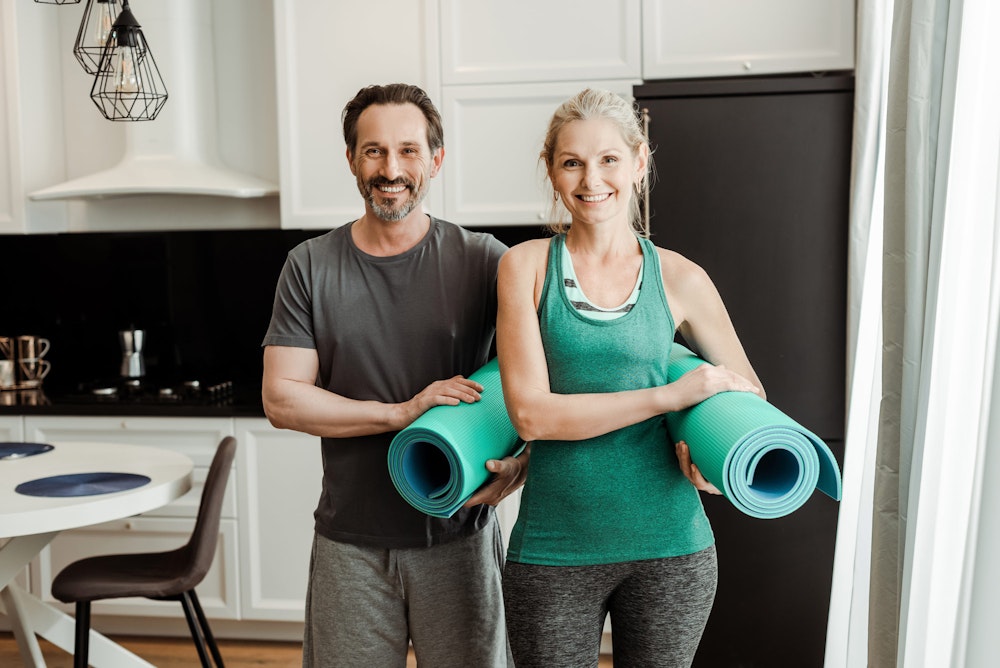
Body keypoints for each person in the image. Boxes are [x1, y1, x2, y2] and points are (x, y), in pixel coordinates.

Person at [496, 88, 765, 668]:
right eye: (572, 162)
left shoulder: (681, 278)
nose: (592, 178)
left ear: (640, 163)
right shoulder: (525, 268)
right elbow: (533, 415)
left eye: (609, 159)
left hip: (672, 550)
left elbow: (749, 394)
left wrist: (717, 461)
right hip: (553, 550)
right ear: (552, 171)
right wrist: (669, 396)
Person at [261, 83, 525, 668]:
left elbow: (534, 380)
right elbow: (281, 399)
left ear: (435, 159)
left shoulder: (485, 261)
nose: (391, 169)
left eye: (408, 151)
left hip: (459, 536)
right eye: (374, 150)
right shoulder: (308, 266)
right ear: (352, 159)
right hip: (349, 546)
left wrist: (523, 462)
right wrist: (401, 413)